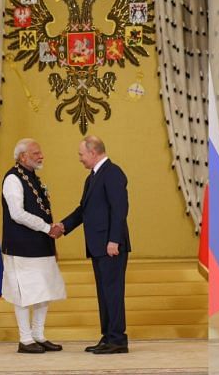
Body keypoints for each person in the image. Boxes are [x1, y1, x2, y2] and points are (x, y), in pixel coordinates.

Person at [57, 135, 131, 354]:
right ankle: (108, 336)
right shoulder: (93, 177)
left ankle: (118, 339)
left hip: (111, 246)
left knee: (113, 292)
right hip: (98, 246)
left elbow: (120, 209)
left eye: (81, 154)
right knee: (104, 293)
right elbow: (84, 209)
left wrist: (114, 240)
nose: (80, 159)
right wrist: (63, 226)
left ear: (93, 152)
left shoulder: (113, 172)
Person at [1, 138, 66, 354]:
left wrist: (50, 236)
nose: (41, 156)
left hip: (41, 244)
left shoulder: (34, 178)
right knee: (24, 294)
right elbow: (16, 213)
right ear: (22, 157)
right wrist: (47, 228)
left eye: (40, 152)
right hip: (21, 247)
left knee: (43, 291)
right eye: (36, 153)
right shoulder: (12, 178)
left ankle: (38, 335)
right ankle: (25, 339)